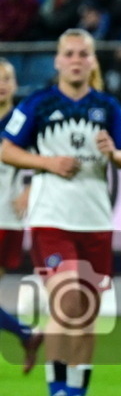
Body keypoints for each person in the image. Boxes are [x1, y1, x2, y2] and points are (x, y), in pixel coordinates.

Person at [0, 28, 121, 396]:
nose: (76, 59)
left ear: (92, 60)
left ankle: (77, 395)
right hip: (51, 220)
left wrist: (115, 153)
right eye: (69, 53)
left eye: (83, 53)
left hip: (95, 220)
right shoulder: (39, 104)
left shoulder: (107, 107)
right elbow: (7, 149)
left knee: (88, 312)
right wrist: (47, 163)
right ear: (58, 61)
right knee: (66, 301)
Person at [0, 57, 42, 373]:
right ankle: (25, 333)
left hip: (6, 217)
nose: (1, 84)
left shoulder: (23, 120)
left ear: (15, 85)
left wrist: (30, 187)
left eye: (6, 78)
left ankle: (25, 333)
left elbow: (45, 157)